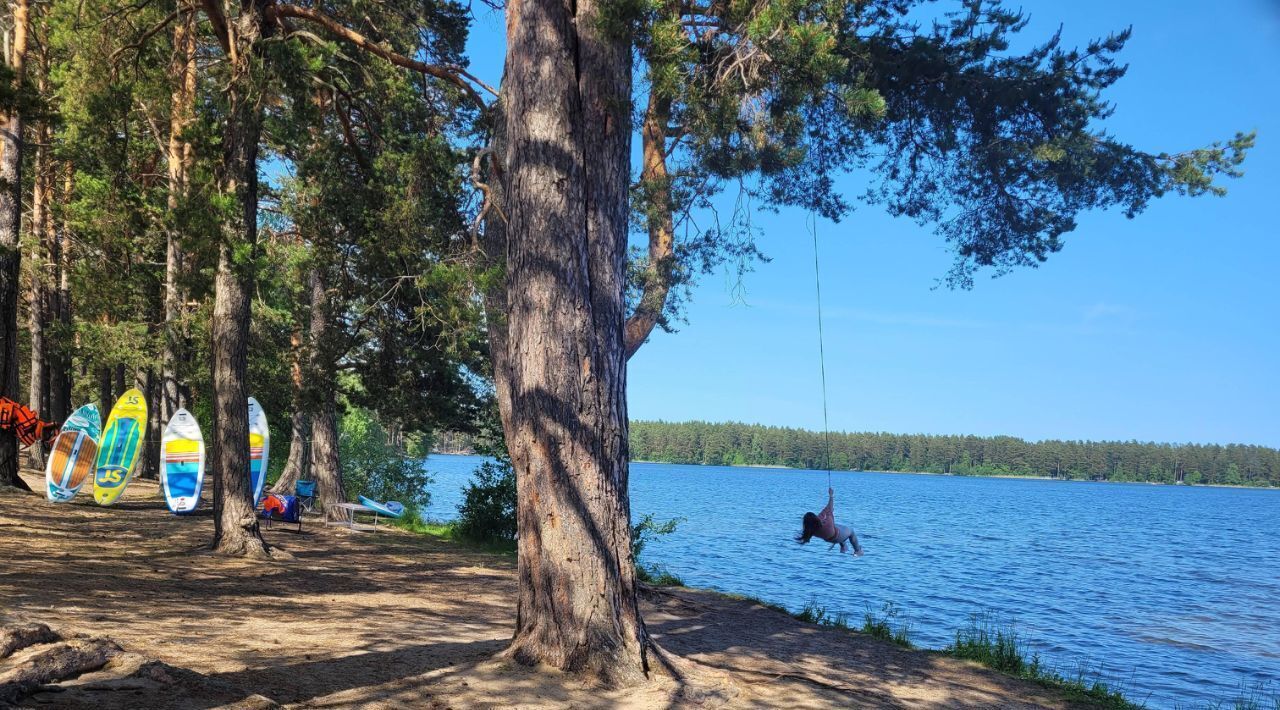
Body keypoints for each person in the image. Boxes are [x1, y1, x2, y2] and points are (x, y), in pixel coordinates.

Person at [796, 488, 864, 556]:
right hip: (838, 536)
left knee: (836, 526)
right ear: (815, 518)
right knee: (851, 531)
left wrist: (829, 511)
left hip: (828, 539)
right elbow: (829, 508)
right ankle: (857, 551)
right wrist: (831, 495)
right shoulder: (827, 523)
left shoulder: (811, 530)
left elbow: (824, 512)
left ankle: (843, 546)